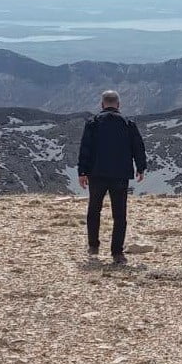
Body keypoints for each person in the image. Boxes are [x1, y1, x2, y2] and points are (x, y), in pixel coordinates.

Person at [78, 90, 147, 264]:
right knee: (120, 214)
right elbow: (138, 146)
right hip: (120, 174)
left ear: (102, 105)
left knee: (94, 210)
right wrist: (141, 167)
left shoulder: (93, 123)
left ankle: (93, 245)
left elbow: (85, 148)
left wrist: (82, 172)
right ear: (118, 105)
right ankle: (117, 252)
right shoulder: (127, 123)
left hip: (97, 173)